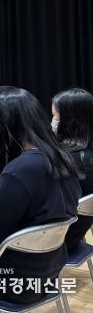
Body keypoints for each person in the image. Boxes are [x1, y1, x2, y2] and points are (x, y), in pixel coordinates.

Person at [0, 87, 80, 305]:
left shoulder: (19, 171)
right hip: (49, 271)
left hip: (13, 279)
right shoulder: (62, 158)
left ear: (6, 127)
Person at [52, 88, 93, 252]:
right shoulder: (86, 153)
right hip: (75, 233)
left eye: (55, 116)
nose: (52, 121)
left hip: (52, 241)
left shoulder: (65, 160)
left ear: (70, 121)